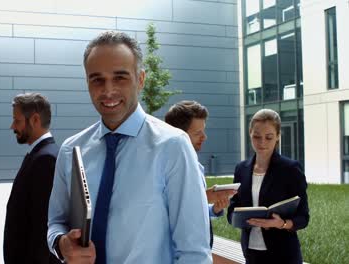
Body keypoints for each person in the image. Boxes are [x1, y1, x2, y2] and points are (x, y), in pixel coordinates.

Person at [47, 31, 211, 264]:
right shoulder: (71, 149)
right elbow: (55, 222)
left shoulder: (173, 146)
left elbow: (193, 252)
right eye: (97, 79)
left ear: (141, 79)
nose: (108, 90)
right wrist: (60, 243)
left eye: (120, 77)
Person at [227, 109, 309, 264]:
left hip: (283, 254)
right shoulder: (241, 169)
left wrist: (282, 224)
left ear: (278, 136)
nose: (262, 142)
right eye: (257, 136)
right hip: (251, 253)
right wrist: (234, 217)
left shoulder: (290, 169)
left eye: (269, 137)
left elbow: (303, 217)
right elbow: (233, 209)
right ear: (250, 133)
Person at [165, 100, 236, 248]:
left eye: (203, 131)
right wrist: (206, 196)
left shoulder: (196, 166)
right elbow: (165, 210)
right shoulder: (163, 168)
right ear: (179, 135)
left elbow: (194, 211)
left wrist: (214, 208)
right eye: (198, 133)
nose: (204, 137)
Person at [3, 93, 60, 264]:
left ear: (35, 120)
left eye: (17, 120)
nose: (12, 126)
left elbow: (42, 228)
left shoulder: (45, 159)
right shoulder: (41, 154)